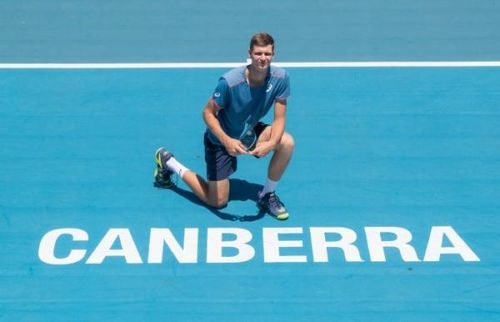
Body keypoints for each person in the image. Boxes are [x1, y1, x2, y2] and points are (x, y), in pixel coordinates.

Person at [154, 32, 294, 220]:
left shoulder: (281, 78)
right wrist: (227, 141)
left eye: (267, 54)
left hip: (248, 132)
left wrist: (271, 143)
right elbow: (207, 113)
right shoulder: (229, 82)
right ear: (250, 53)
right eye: (258, 54)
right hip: (220, 140)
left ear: (273, 54)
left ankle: (267, 195)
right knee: (217, 201)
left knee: (286, 142)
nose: (263, 59)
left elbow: (279, 119)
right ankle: (168, 162)